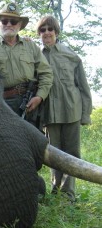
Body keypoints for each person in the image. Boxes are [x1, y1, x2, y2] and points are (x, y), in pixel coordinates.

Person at [36, 15, 93, 201]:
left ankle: (68, 194)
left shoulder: (71, 55)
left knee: (73, 153)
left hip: (72, 111)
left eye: (49, 29)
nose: (46, 33)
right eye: (42, 30)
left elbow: (83, 87)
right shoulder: (35, 56)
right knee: (54, 155)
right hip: (50, 114)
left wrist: (85, 114)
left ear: (56, 32)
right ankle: (55, 191)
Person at [0, 2, 53, 128]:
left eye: (13, 21)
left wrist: (39, 97)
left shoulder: (31, 45)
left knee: (32, 143)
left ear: (20, 25)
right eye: (4, 21)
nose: (9, 24)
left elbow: (46, 73)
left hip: (30, 103)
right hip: (2, 104)